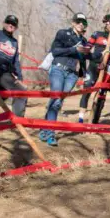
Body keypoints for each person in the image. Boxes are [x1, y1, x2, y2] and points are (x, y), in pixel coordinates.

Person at [39, 13, 90, 146]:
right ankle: (51, 134)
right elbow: (55, 51)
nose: (81, 24)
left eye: (83, 23)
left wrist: (86, 72)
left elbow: (84, 59)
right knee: (56, 100)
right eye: (78, 21)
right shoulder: (62, 33)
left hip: (72, 74)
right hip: (58, 69)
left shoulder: (84, 41)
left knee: (57, 101)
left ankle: (44, 127)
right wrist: (73, 49)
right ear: (73, 22)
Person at [78, 13, 110, 123]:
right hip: (93, 67)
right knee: (86, 91)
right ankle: (81, 119)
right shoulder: (97, 34)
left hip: (107, 71)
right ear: (105, 24)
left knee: (101, 95)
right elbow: (87, 47)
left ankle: (94, 121)